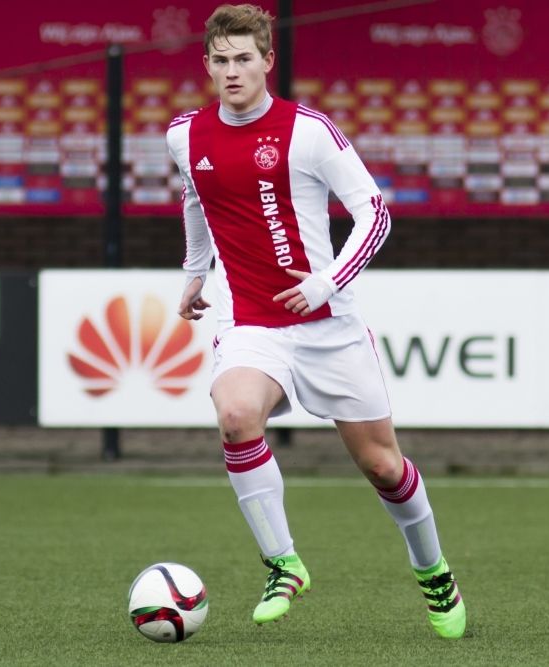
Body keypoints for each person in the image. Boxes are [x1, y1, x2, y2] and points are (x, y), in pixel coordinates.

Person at [166, 3, 466, 640]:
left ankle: (433, 571)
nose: (231, 71)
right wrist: (195, 270)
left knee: (383, 467)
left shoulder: (308, 131)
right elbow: (196, 196)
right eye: (220, 60)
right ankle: (284, 563)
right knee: (235, 415)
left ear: (267, 62)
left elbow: (375, 213)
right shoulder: (184, 134)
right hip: (249, 321)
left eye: (243, 58)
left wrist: (326, 282)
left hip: (329, 327)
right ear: (207, 65)